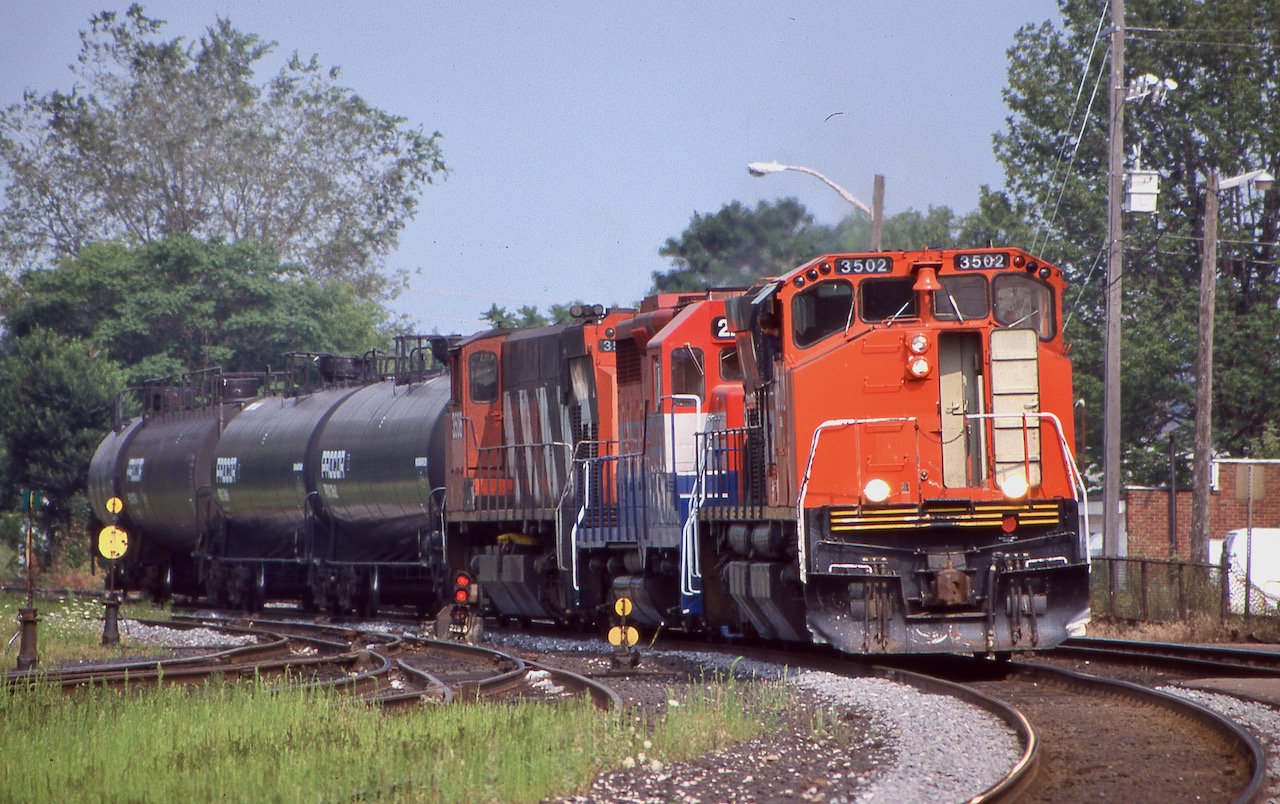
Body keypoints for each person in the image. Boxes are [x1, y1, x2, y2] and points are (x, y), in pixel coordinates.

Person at [757, 311, 782, 381]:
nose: (761, 330)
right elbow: (774, 353)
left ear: (767, 328)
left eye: (762, 328)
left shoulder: (785, 332)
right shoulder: (770, 338)